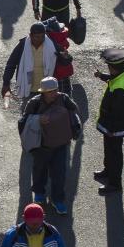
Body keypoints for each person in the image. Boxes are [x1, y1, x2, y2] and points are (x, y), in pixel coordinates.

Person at [18, 77, 82, 213]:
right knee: (39, 170)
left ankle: (57, 199)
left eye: (56, 90)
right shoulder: (34, 103)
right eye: (50, 92)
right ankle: (39, 194)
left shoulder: (63, 99)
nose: (54, 94)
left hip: (61, 145)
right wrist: (37, 119)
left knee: (59, 173)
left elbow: (74, 110)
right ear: (43, 92)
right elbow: (23, 122)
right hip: (41, 146)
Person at [93, 46, 124, 196]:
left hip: (115, 128)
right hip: (111, 127)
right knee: (109, 150)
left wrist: (111, 129)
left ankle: (115, 183)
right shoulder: (123, 75)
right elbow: (112, 79)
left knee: (115, 154)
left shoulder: (121, 89)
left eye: (108, 67)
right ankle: (107, 171)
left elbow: (118, 112)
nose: (108, 70)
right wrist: (101, 76)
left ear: (113, 68)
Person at [1, 21, 58, 105]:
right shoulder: (22, 45)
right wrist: (6, 83)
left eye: (42, 37)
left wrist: (67, 58)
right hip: (28, 90)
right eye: (37, 37)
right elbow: (11, 64)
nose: (40, 40)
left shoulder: (51, 45)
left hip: (46, 91)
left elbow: (63, 58)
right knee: (28, 115)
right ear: (30, 35)